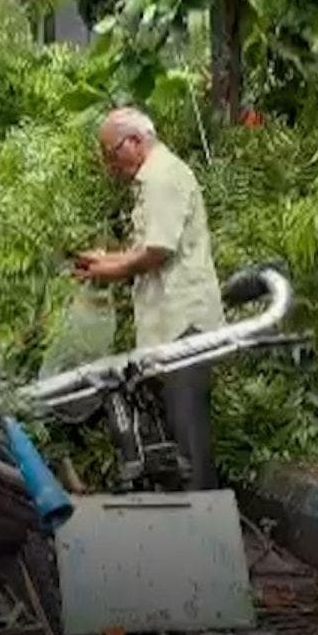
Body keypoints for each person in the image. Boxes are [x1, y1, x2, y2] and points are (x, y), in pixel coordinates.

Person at [72, 107, 227, 490]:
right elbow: (148, 248)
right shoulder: (153, 178)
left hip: (183, 324)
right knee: (177, 429)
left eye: (111, 153)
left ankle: (203, 514)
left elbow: (156, 252)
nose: (110, 165)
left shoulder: (162, 178)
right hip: (167, 326)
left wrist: (110, 270)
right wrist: (106, 260)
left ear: (135, 141)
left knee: (188, 433)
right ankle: (189, 509)